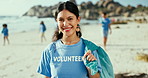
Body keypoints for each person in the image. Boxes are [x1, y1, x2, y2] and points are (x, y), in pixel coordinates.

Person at [37, 1, 114, 78]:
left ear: (78, 20)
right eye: (61, 20)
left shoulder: (90, 49)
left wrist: (91, 69)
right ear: (57, 21)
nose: (65, 24)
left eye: (70, 19)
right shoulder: (49, 50)